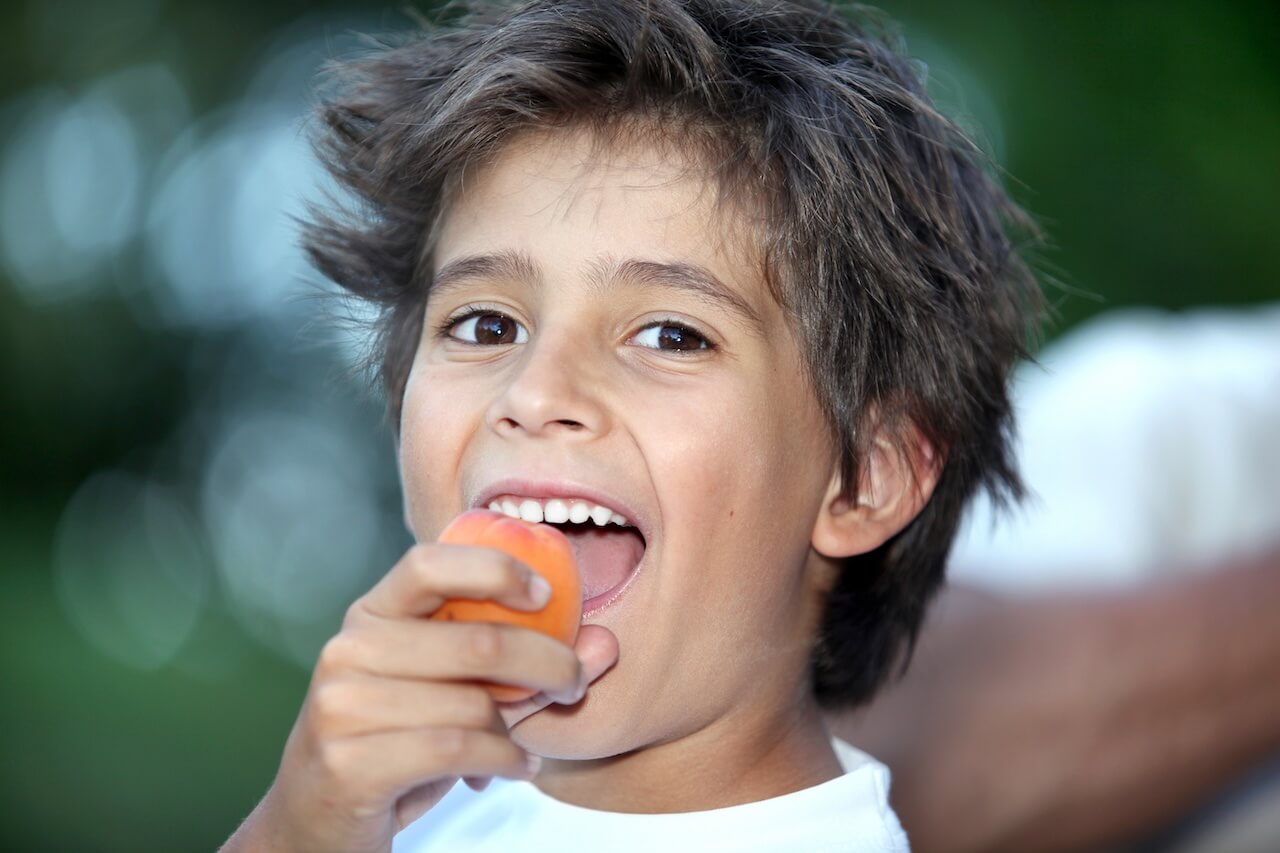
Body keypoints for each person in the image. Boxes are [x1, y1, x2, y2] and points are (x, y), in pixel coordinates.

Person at [222, 1, 1039, 850]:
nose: (535, 393)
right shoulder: (386, 813)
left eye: (671, 335)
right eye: (486, 325)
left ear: (866, 474)